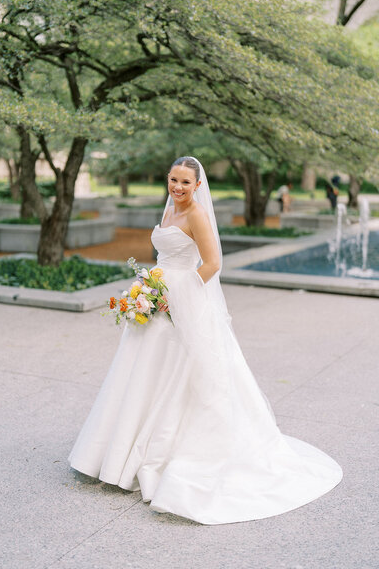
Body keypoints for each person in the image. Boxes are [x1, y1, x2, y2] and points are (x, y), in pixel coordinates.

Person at [68, 156, 342, 525]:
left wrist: (179, 296)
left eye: (185, 182)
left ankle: (163, 452)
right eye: (173, 180)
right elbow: (164, 256)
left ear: (198, 186)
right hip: (157, 296)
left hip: (180, 300)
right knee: (142, 372)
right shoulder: (168, 211)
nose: (178, 187)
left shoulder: (196, 214)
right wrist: (147, 288)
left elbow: (213, 264)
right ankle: (118, 450)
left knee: (182, 373)